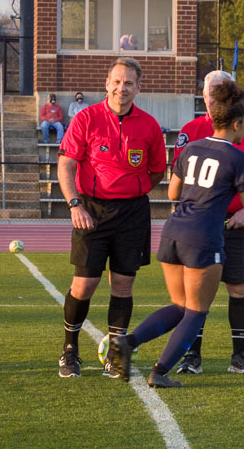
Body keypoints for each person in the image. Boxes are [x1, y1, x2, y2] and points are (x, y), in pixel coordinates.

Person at [113, 81, 244, 388]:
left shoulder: (191, 147)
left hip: (173, 230)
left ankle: (128, 342)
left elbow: (172, 192)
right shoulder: (238, 157)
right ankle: (160, 371)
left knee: (180, 306)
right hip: (204, 236)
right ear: (236, 123)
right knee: (196, 311)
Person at [55, 57, 167, 379]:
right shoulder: (86, 118)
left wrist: (135, 188)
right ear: (107, 84)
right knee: (84, 284)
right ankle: (69, 351)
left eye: (128, 83)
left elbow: (157, 171)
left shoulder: (148, 125)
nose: (122, 88)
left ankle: (115, 357)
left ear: (138, 87)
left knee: (122, 284)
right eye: (116, 81)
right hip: (91, 210)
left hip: (132, 213)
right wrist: (75, 204)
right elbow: (66, 164)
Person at [173, 70, 244, 376]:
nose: (217, 96)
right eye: (212, 91)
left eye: (224, 90)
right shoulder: (190, 131)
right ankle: (192, 355)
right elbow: (178, 185)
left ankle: (240, 356)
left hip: (238, 224)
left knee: (238, 288)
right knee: (196, 291)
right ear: (204, 96)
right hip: (202, 225)